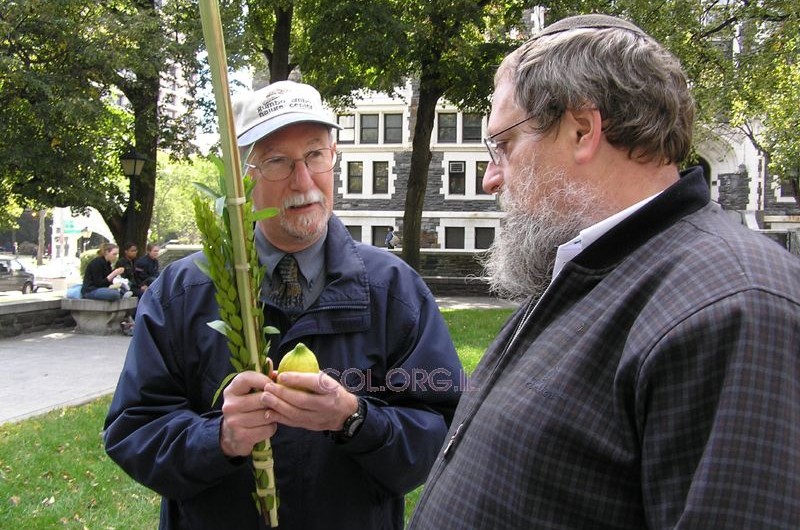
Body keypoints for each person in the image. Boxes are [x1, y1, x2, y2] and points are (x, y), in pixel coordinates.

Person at [408, 14, 800, 529]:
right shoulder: (590, 267)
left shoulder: (735, 304)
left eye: (502, 145)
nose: (490, 179)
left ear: (582, 130)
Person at [103, 80, 463, 530]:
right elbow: (134, 429)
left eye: (316, 155)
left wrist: (355, 420)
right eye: (277, 161)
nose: (303, 180)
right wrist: (220, 437)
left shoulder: (394, 290)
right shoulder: (182, 292)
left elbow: (443, 433)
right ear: (243, 177)